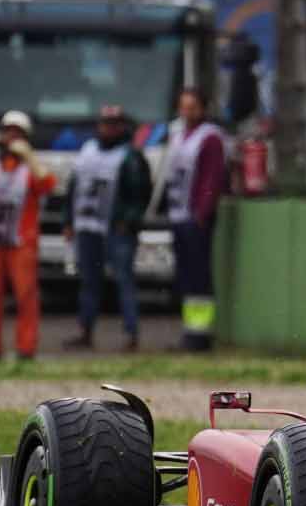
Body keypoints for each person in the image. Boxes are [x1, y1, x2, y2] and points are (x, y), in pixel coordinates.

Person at [0, 111, 55, 361]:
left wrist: (28, 155)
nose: (11, 137)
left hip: (21, 241)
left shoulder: (31, 166)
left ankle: (26, 349)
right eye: (7, 131)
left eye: (17, 133)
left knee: (26, 295)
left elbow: (47, 184)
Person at [64, 106, 153, 352]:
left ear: (123, 127)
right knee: (89, 282)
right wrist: (68, 221)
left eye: (114, 124)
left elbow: (142, 193)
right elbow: (73, 189)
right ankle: (85, 331)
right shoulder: (87, 152)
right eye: (105, 123)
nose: (109, 128)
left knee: (124, 280)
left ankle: (132, 334)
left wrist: (130, 221)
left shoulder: (131, 156)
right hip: (87, 226)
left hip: (117, 229)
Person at [163, 87, 227, 352]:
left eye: (192, 107)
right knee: (186, 278)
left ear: (202, 108)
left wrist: (203, 212)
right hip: (178, 215)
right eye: (183, 107)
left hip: (196, 219)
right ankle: (190, 331)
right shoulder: (178, 135)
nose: (187, 112)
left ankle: (200, 336)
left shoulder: (209, 137)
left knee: (199, 278)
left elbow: (212, 177)